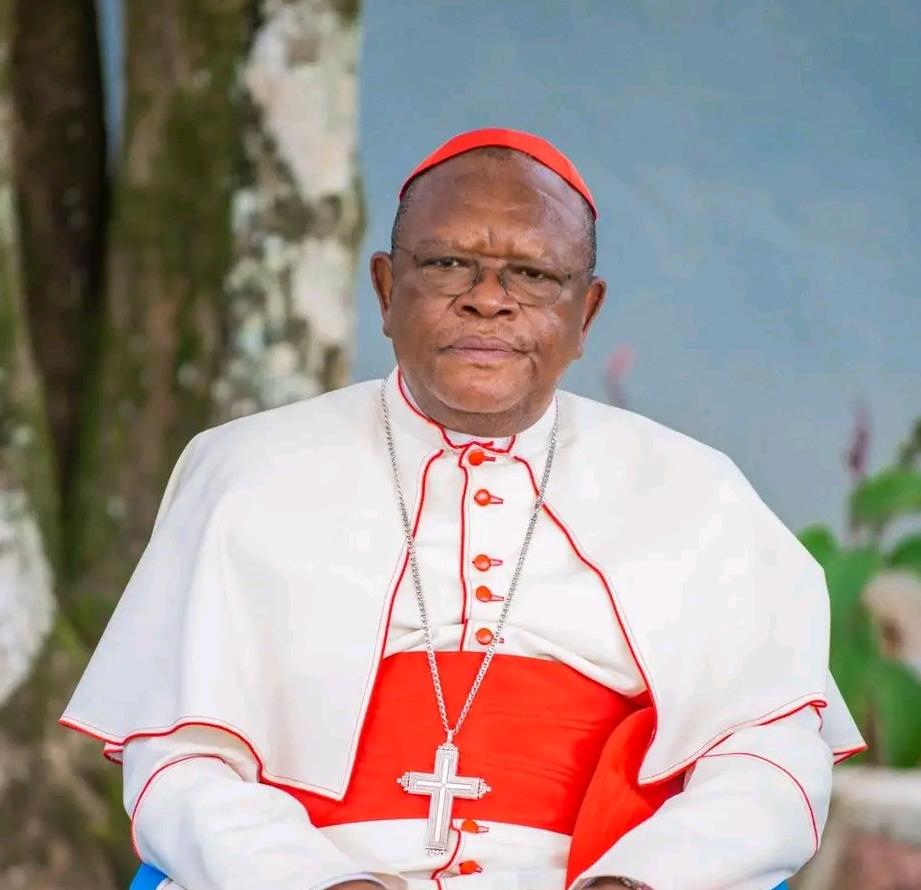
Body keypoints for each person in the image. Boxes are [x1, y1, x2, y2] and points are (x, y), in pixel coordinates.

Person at [61, 127, 867, 890]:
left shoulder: (697, 493)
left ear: (584, 313)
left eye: (534, 275)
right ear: (385, 288)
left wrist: (641, 881)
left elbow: (769, 763)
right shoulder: (246, 470)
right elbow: (178, 762)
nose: (489, 300)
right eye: (447, 265)